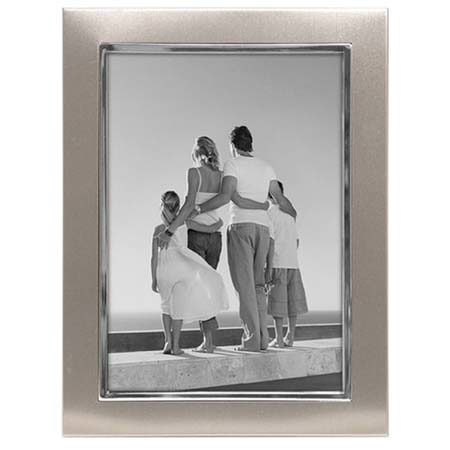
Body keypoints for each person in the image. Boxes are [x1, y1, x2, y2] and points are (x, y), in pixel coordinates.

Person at [193, 126, 297, 352]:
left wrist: (198, 208)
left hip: (241, 227)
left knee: (245, 286)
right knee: (259, 286)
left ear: (232, 145)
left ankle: (251, 341)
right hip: (263, 229)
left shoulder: (233, 164)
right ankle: (262, 339)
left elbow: (225, 196)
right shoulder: (267, 167)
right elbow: (280, 200)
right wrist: (293, 215)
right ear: (250, 143)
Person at [158, 136, 267, 352]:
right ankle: (209, 341)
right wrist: (262, 205)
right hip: (215, 237)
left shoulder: (194, 173)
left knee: (199, 288)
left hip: (196, 236)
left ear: (195, 153)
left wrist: (170, 230)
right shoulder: (222, 175)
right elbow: (234, 199)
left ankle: (205, 342)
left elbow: (189, 205)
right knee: (207, 286)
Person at [151, 190, 228, 355]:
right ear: (178, 207)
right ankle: (176, 347)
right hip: (182, 271)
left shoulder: (157, 230)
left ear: (162, 207)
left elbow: (153, 258)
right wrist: (219, 223)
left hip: (163, 271)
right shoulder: (185, 223)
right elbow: (209, 228)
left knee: (165, 308)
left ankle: (167, 342)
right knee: (177, 309)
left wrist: (153, 279)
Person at [266, 181, 308, 347]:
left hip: (277, 262)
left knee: (277, 302)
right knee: (292, 302)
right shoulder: (289, 214)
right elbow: (297, 241)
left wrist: (267, 265)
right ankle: (290, 336)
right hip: (293, 263)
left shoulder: (268, 214)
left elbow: (269, 241)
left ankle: (278, 338)